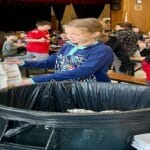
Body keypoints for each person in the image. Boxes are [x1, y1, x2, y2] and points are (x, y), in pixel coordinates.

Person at [10, 18, 114, 85]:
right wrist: (23, 63)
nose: (70, 37)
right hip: (65, 86)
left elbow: (83, 71)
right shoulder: (68, 46)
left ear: (95, 34)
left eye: (75, 34)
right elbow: (50, 61)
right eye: (68, 33)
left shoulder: (102, 50)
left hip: (91, 90)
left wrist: (35, 80)